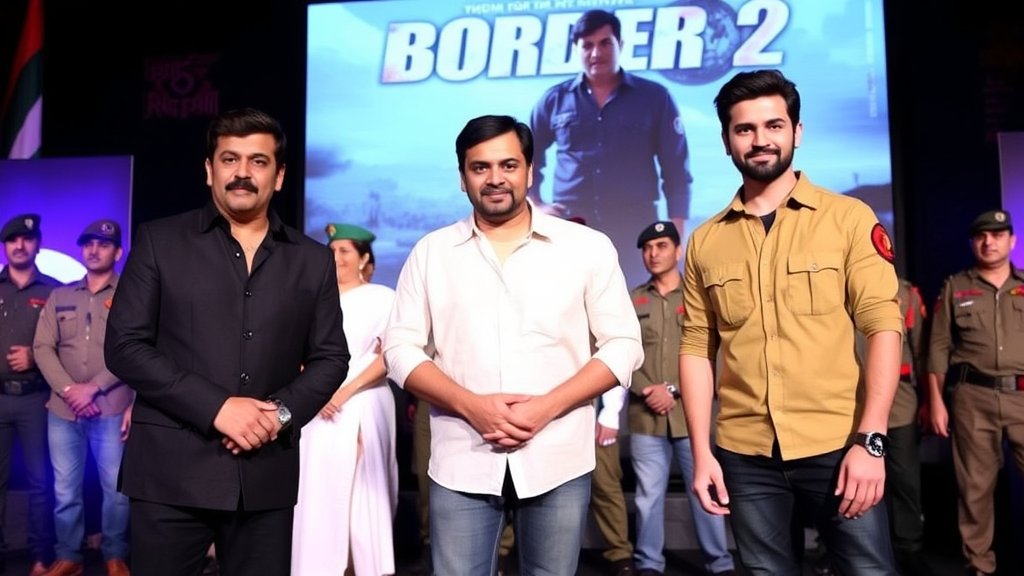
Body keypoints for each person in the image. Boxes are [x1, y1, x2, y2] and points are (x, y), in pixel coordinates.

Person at [383, 114, 643, 576]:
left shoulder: (585, 247)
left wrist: (545, 407)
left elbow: (623, 344)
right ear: (462, 178)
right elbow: (400, 349)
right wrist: (470, 406)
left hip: (557, 452)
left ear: (529, 170)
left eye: (508, 165)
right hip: (462, 455)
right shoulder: (432, 252)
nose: (495, 178)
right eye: (479, 167)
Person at [104, 108, 350, 576]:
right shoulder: (160, 241)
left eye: (258, 162)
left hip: (265, 473)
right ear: (209, 169)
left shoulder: (312, 260)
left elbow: (331, 359)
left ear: (278, 176)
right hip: (169, 474)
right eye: (230, 159)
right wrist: (218, 408)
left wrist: (276, 415)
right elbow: (125, 345)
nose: (242, 173)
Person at [678, 69, 903, 575]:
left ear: (797, 132)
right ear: (726, 141)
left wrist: (871, 441)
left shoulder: (848, 218)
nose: (760, 140)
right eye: (745, 129)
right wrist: (701, 454)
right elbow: (696, 348)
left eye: (774, 125)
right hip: (744, 452)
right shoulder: (706, 240)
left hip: (839, 442)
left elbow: (884, 327)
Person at [529, 9, 692, 286]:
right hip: (572, 229)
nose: (596, 53)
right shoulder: (554, 100)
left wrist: (675, 235)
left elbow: (676, 171)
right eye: (587, 45)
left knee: (637, 313)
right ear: (576, 49)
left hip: (636, 230)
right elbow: (526, 157)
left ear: (621, 45)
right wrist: (536, 204)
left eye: (605, 43)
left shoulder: (654, 98)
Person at [629, 221, 735, 576]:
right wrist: (648, 389)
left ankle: (719, 563)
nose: (653, 253)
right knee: (647, 497)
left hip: (695, 416)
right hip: (646, 415)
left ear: (678, 251)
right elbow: (620, 351)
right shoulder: (632, 300)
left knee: (705, 491)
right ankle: (648, 564)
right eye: (647, 248)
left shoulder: (698, 295)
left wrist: (673, 389)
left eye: (661, 246)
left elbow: (714, 350)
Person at [291, 223, 397, 575]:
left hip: (363, 401)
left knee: (360, 490)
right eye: (332, 251)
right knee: (319, 489)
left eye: (345, 252)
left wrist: (343, 392)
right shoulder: (312, 298)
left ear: (364, 258)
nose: (336, 258)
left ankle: (359, 567)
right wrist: (315, 390)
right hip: (317, 407)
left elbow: (390, 355)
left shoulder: (382, 298)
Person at [925, 209, 1024, 576]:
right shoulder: (955, 287)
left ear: (1011, 241)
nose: (989, 242)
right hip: (973, 397)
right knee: (975, 490)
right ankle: (980, 568)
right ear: (973, 242)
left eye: (998, 235)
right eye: (982, 236)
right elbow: (936, 348)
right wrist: (935, 401)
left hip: (1022, 396)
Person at [33, 219, 133, 576]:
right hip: (63, 410)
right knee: (64, 490)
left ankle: (115, 556)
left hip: (111, 407)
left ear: (118, 252)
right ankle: (70, 557)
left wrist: (94, 387)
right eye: (88, 244)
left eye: (103, 244)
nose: (94, 250)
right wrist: (70, 391)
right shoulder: (60, 295)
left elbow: (135, 349)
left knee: (116, 492)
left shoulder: (131, 295)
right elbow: (43, 347)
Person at [0, 214, 59, 576]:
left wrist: (34, 357)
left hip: (37, 399)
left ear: (37, 243)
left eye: (26, 239)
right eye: (11, 240)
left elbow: (65, 347)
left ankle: (41, 556)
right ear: (5, 247)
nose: (19, 245)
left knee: (41, 480)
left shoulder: (53, 291)